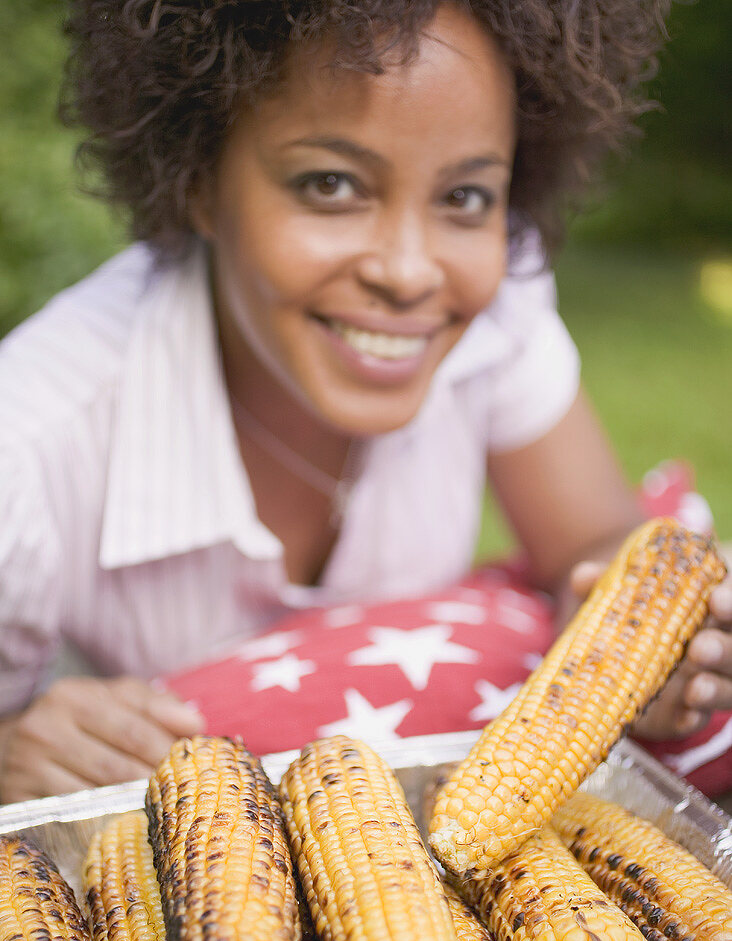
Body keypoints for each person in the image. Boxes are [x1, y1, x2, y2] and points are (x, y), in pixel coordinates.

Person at [1, 0, 730, 804]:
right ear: (198, 182)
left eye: (464, 198)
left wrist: (633, 636)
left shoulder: (494, 322)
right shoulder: (31, 439)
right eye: (332, 184)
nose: (410, 272)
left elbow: (595, 541)